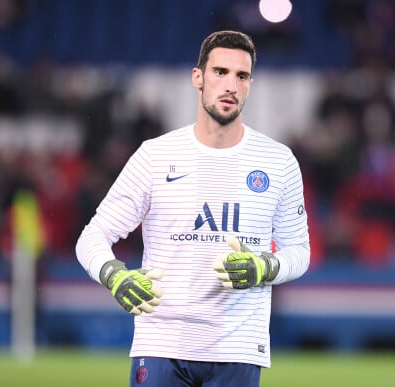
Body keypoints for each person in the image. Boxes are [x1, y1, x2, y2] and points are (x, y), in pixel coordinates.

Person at [76, 30, 310, 387]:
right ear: (197, 78)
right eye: (220, 72)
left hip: (238, 345)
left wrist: (265, 266)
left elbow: (299, 251)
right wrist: (113, 275)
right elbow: (93, 236)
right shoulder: (155, 156)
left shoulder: (278, 162)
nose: (230, 84)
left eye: (241, 76)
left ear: (250, 84)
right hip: (161, 342)